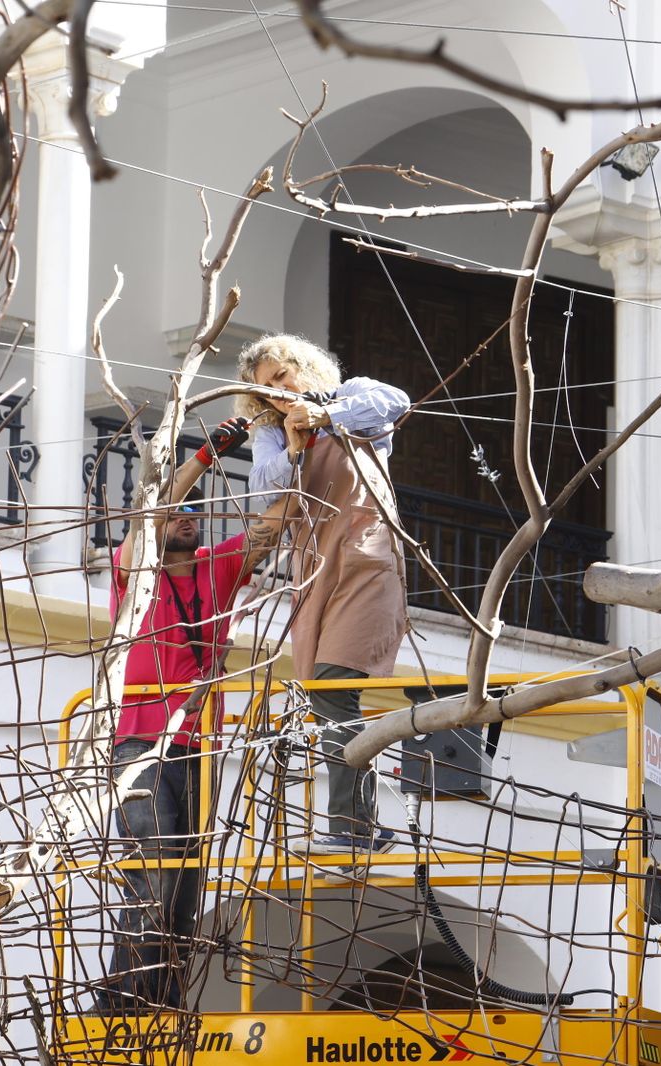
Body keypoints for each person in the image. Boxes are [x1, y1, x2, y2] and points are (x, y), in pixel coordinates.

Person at [98, 415, 289, 1013]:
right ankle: (124, 1007)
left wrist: (295, 444)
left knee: (185, 891)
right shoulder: (135, 570)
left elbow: (273, 526)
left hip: (198, 744)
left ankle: (163, 1006)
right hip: (138, 744)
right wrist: (205, 456)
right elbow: (150, 513)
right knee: (153, 877)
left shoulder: (219, 567)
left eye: (195, 512)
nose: (188, 516)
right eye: (182, 512)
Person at [235, 333, 411, 856]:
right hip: (315, 569)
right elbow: (266, 488)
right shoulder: (270, 434)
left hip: (365, 558)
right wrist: (294, 443)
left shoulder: (351, 395)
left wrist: (323, 416)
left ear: (304, 368)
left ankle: (351, 826)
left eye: (281, 378)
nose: (277, 393)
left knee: (334, 687)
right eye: (266, 390)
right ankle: (361, 826)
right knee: (320, 694)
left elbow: (392, 404)